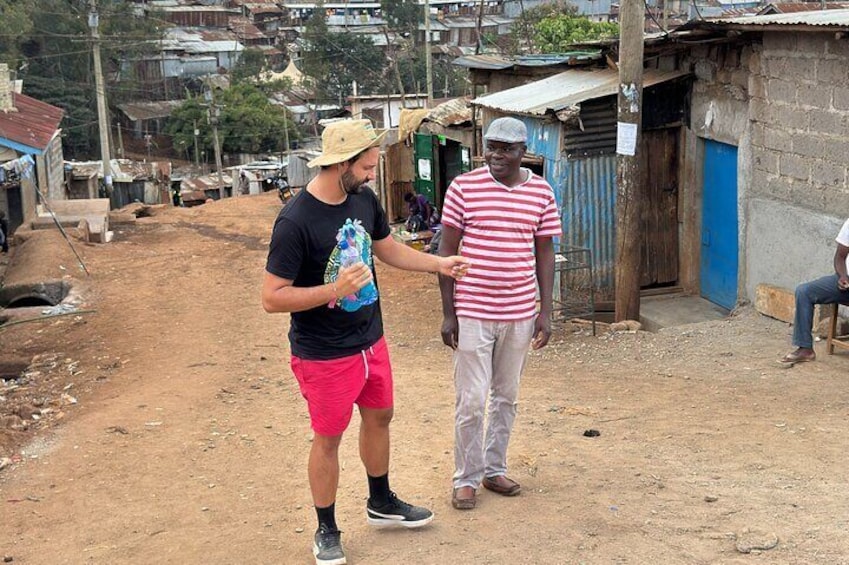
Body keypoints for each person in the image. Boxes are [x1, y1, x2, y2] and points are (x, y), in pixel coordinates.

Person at [261, 119, 469, 565]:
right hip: (323, 353)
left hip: (370, 340)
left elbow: (387, 249)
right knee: (329, 438)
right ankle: (327, 528)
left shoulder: (362, 199)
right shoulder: (295, 221)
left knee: (380, 417)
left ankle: (381, 501)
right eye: (369, 166)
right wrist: (332, 291)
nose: (374, 174)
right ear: (342, 164)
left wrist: (439, 264)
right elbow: (272, 298)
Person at [437, 117, 562, 510]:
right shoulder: (463, 188)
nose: (496, 155)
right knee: (471, 400)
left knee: (506, 397)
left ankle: (494, 470)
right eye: (491, 146)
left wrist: (546, 310)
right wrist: (448, 312)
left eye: (506, 148)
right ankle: (466, 478)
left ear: (523, 152)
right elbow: (447, 254)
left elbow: (544, 251)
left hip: (520, 312)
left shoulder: (541, 192)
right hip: (472, 310)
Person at [781, 218, 849, 364]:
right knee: (804, 291)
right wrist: (843, 276)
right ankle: (805, 349)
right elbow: (840, 257)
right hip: (846, 284)